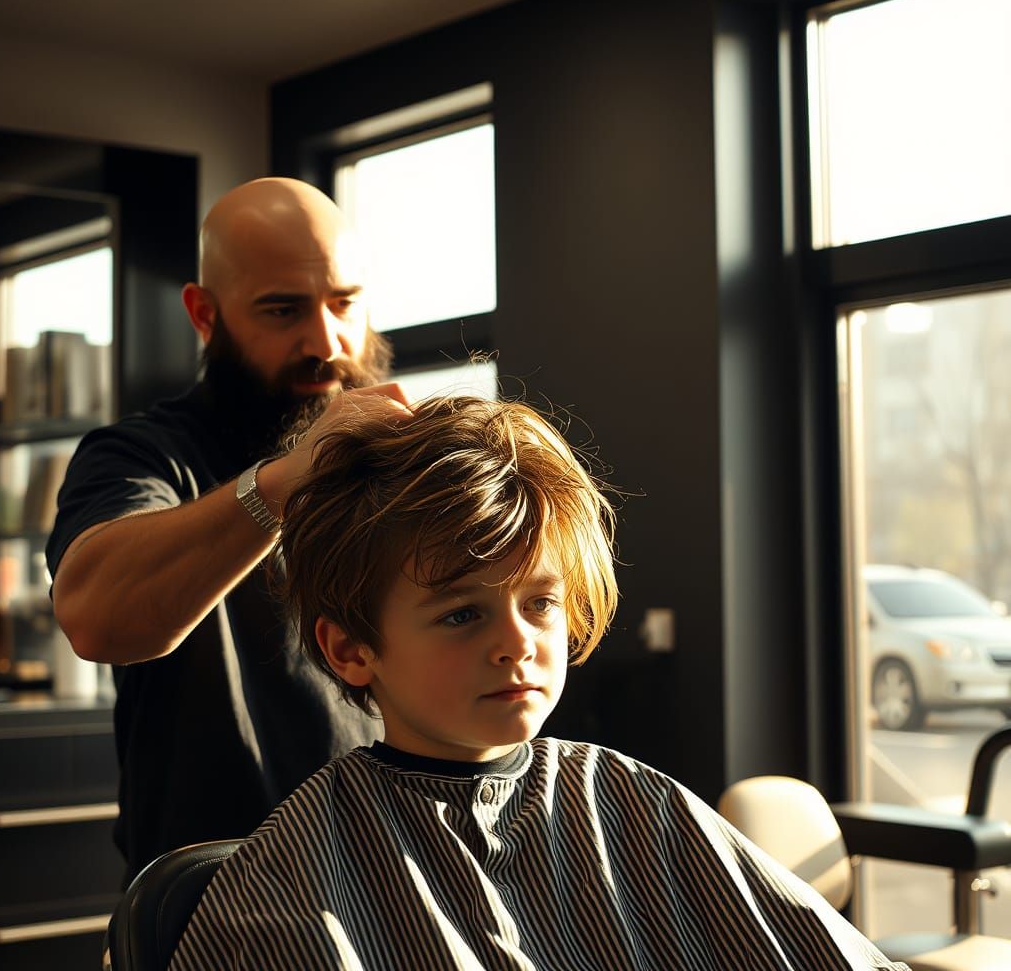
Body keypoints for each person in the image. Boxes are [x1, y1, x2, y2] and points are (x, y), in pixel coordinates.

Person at [171, 396, 908, 971]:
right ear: (351, 650)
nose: (517, 642)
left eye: (540, 603)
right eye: (463, 614)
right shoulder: (299, 875)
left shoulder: (632, 802)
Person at [45, 177, 412, 883]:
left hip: (383, 881)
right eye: (283, 310)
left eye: (345, 304)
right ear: (204, 314)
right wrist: (281, 481)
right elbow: (96, 619)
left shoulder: (388, 464)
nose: (326, 342)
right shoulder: (141, 456)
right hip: (208, 904)